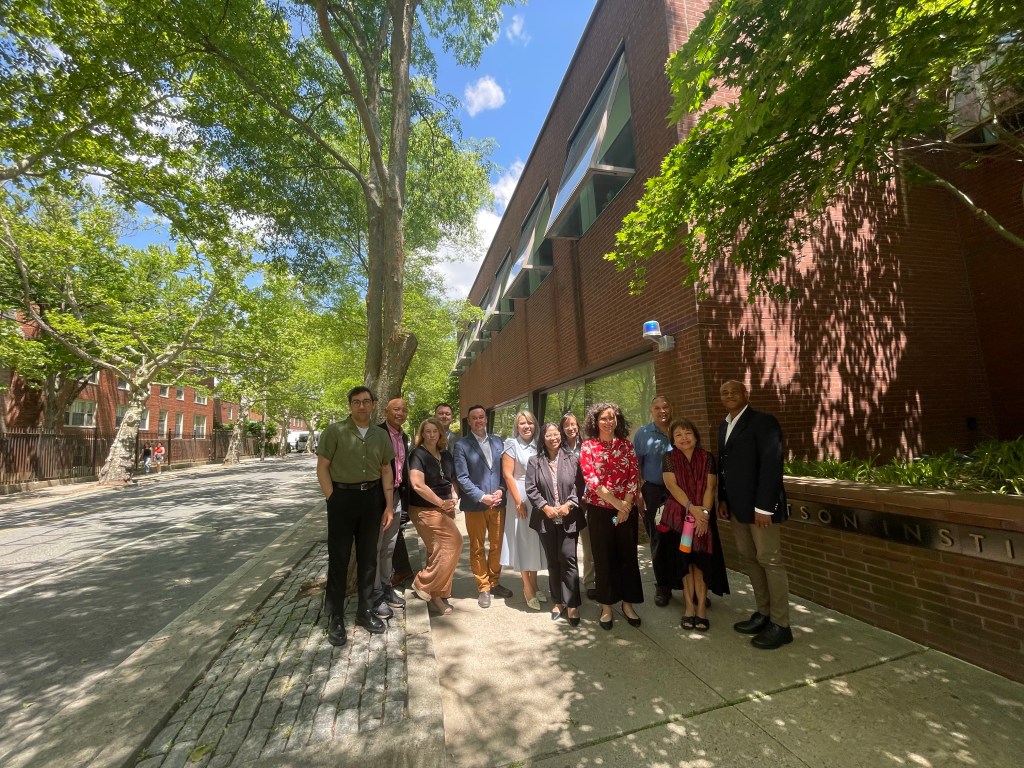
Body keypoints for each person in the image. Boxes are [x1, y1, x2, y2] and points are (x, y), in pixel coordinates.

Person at [316, 386, 394, 646]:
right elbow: (322, 467)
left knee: (368, 558)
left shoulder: (380, 435)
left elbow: (386, 470)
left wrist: (389, 506)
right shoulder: (334, 431)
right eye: (356, 402)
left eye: (366, 401)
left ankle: (365, 610)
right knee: (339, 558)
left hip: (372, 499)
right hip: (342, 498)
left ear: (373, 405)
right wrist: (332, 498)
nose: (362, 406)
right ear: (350, 405)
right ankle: (336, 616)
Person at [717, 380, 792, 649]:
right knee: (750, 558)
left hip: (760, 510)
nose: (729, 395)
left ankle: (781, 625)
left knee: (770, 560)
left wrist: (764, 507)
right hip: (736, 508)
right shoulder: (724, 425)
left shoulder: (763, 422)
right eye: (724, 393)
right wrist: (722, 498)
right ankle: (764, 613)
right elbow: (724, 464)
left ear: (745, 394)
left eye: (734, 391)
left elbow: (772, 465)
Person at [659, 418, 729, 631]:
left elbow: (710, 487)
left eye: (688, 433)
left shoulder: (707, 457)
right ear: (673, 440)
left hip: (703, 519)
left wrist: (704, 515)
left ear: (696, 436)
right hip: (680, 519)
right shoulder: (669, 457)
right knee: (686, 563)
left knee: (701, 562)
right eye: (678, 435)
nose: (684, 438)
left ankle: (701, 610)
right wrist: (692, 509)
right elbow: (672, 486)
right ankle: (689, 607)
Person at [579, 402, 643, 630]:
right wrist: (618, 505)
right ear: (596, 422)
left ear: (617, 420)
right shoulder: (588, 446)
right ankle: (606, 607)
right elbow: (592, 480)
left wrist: (625, 506)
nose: (608, 422)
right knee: (603, 557)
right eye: (603, 418)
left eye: (612, 417)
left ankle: (628, 604)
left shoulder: (626, 445)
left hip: (624, 513)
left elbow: (633, 476)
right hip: (601, 513)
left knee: (627, 556)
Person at [526, 422, 584, 626]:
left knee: (568, 558)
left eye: (556, 434)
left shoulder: (572, 459)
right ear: (543, 438)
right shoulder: (535, 461)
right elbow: (531, 488)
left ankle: (573, 603)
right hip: (546, 519)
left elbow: (579, 485)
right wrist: (545, 507)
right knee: (553, 561)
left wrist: (570, 504)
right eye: (549, 435)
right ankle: (558, 601)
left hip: (569, 517)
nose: (554, 438)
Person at [453, 405, 511, 608]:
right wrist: (482, 497)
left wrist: (501, 489)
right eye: (474, 418)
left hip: (497, 504)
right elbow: (462, 478)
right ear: (469, 421)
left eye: (481, 417)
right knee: (477, 547)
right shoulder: (461, 445)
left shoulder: (498, 442)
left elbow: (505, 471)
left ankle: (495, 582)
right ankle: (483, 587)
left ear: (486, 419)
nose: (478, 421)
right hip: (475, 505)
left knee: (497, 545)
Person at [407, 417, 463, 615]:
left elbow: (450, 480)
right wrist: (441, 503)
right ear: (422, 434)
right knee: (453, 543)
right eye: (427, 431)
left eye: (435, 431)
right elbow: (417, 485)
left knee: (437, 551)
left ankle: (437, 596)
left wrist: (454, 495)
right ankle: (423, 582)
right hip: (425, 509)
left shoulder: (445, 454)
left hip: (445, 507)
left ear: (440, 433)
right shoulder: (417, 454)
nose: (431, 435)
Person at [500, 411, 546, 608]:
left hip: (537, 498)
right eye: (522, 423)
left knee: (535, 540)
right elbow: (508, 475)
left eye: (530, 422)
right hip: (519, 497)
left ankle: (535, 584)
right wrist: (519, 502)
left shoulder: (539, 444)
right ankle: (527, 587)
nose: (526, 426)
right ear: (516, 426)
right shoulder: (512, 444)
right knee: (522, 540)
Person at [372, 398, 411, 620]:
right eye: (396, 409)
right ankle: (376, 593)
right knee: (375, 547)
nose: (400, 413)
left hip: (396, 496)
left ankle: (386, 587)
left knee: (389, 546)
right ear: (386, 411)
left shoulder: (404, 436)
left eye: (404, 410)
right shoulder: (376, 433)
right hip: (377, 498)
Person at [633, 396, 673, 605]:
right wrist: (639, 493)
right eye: (657, 407)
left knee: (683, 539)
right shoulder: (643, 434)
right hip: (654, 492)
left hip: (680, 493)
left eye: (665, 407)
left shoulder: (680, 430)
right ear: (651, 411)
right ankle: (663, 586)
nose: (661, 411)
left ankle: (687, 584)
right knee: (658, 539)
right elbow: (635, 466)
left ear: (671, 408)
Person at [560, 411, 594, 600]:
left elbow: (593, 472)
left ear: (578, 426)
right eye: (566, 425)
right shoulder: (559, 448)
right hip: (568, 503)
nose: (570, 428)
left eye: (573, 424)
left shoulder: (587, 445)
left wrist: (587, 494)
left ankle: (590, 582)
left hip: (587, 502)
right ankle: (569, 583)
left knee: (589, 544)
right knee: (568, 546)